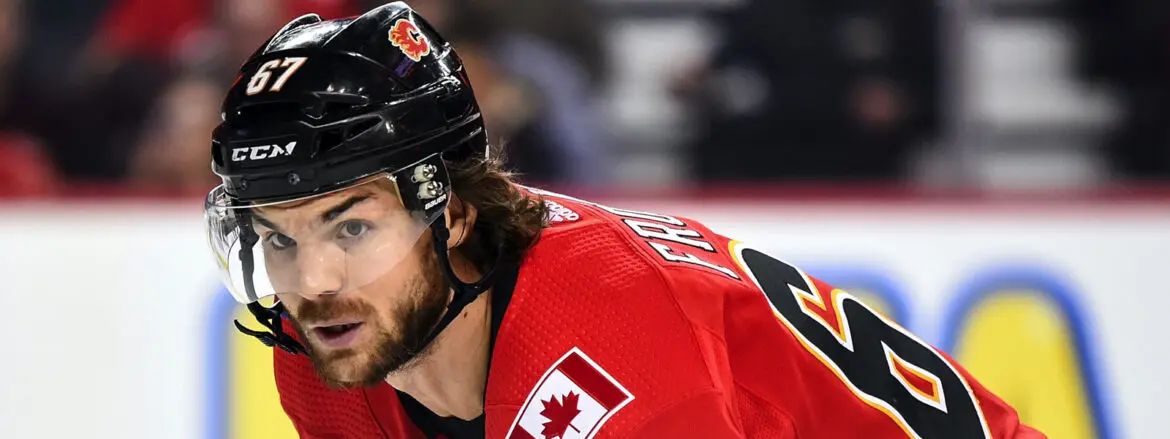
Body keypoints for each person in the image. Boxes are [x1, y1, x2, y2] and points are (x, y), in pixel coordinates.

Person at [205, 3, 1045, 438]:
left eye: (351, 227)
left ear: (452, 211)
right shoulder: (331, 352)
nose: (312, 281)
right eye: (280, 235)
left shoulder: (615, 353)